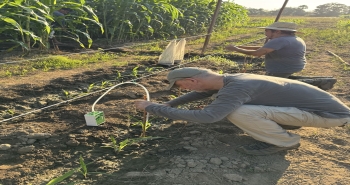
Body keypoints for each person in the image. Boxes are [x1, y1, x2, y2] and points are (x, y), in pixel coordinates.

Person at [134, 67, 350, 155]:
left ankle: (284, 141)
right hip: (310, 108)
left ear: (192, 80)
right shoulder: (231, 78)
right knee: (234, 108)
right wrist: (171, 105)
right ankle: (287, 123)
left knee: (238, 112)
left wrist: (153, 108)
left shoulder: (238, 87)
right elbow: (202, 93)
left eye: (182, 87)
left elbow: (210, 117)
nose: (185, 90)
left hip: (331, 117)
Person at [225, 22, 306, 78]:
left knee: (270, 87)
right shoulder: (293, 38)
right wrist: (241, 46)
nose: (265, 33)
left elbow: (257, 53)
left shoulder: (280, 40)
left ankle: (314, 82)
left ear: (277, 31)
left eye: (267, 31)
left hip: (282, 69)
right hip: (293, 67)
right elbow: (265, 48)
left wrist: (235, 49)